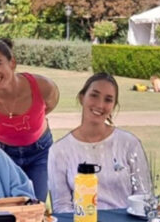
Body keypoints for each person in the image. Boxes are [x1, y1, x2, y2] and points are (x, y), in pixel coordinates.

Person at [0, 39, 59, 203]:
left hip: (39, 152)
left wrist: (30, 120)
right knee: (5, 210)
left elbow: (50, 104)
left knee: (35, 207)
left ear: (12, 62)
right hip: (2, 154)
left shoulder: (44, 86)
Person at [48, 73, 151, 212]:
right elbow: (61, 206)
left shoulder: (129, 144)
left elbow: (144, 195)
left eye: (108, 100)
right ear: (82, 97)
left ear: (113, 106)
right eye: (94, 95)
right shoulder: (60, 150)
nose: (100, 104)